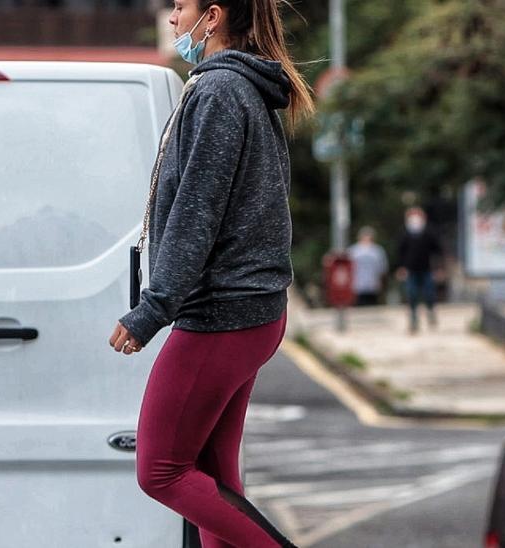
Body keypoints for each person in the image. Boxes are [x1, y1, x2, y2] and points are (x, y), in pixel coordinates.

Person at [107, 1, 313, 546]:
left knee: (161, 470)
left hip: (223, 315)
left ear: (213, 15)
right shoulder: (242, 90)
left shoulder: (220, 92)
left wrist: (153, 307)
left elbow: (197, 211)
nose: (173, 20)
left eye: (180, 7)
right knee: (215, 476)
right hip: (250, 311)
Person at [396, 207, 443, 333]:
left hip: (427, 269)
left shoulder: (429, 232)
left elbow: (438, 251)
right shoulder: (404, 234)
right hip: (410, 270)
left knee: (429, 294)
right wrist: (401, 267)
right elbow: (400, 252)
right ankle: (413, 319)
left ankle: (431, 311)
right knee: (412, 294)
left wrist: (438, 268)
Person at [348, 226, 389, 306]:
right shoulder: (353, 251)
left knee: (371, 305)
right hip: (357, 285)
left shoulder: (377, 250)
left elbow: (382, 268)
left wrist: (380, 282)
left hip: (373, 284)